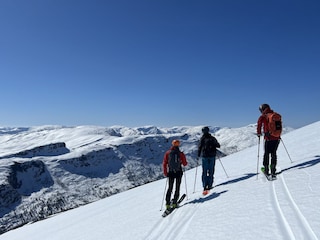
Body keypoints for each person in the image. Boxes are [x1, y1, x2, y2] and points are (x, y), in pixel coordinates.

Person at [257, 103, 281, 177]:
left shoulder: (263, 116)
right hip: (276, 137)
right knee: (274, 153)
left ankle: (266, 170)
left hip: (268, 138)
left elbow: (259, 124)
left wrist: (259, 133)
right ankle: (273, 169)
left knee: (267, 153)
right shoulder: (274, 115)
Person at [162, 139, 187, 210]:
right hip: (179, 172)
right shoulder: (180, 153)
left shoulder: (168, 153)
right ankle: (175, 202)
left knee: (170, 188)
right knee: (177, 187)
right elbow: (185, 164)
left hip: (170, 172)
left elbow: (164, 163)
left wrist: (165, 172)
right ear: (178, 145)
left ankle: (167, 204)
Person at [198, 126, 220, 195]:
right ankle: (210, 185)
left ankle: (205, 185)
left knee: (204, 171)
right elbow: (218, 145)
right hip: (212, 156)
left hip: (205, 156)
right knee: (211, 170)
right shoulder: (212, 138)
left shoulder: (202, 139)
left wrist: (198, 154)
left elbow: (200, 147)